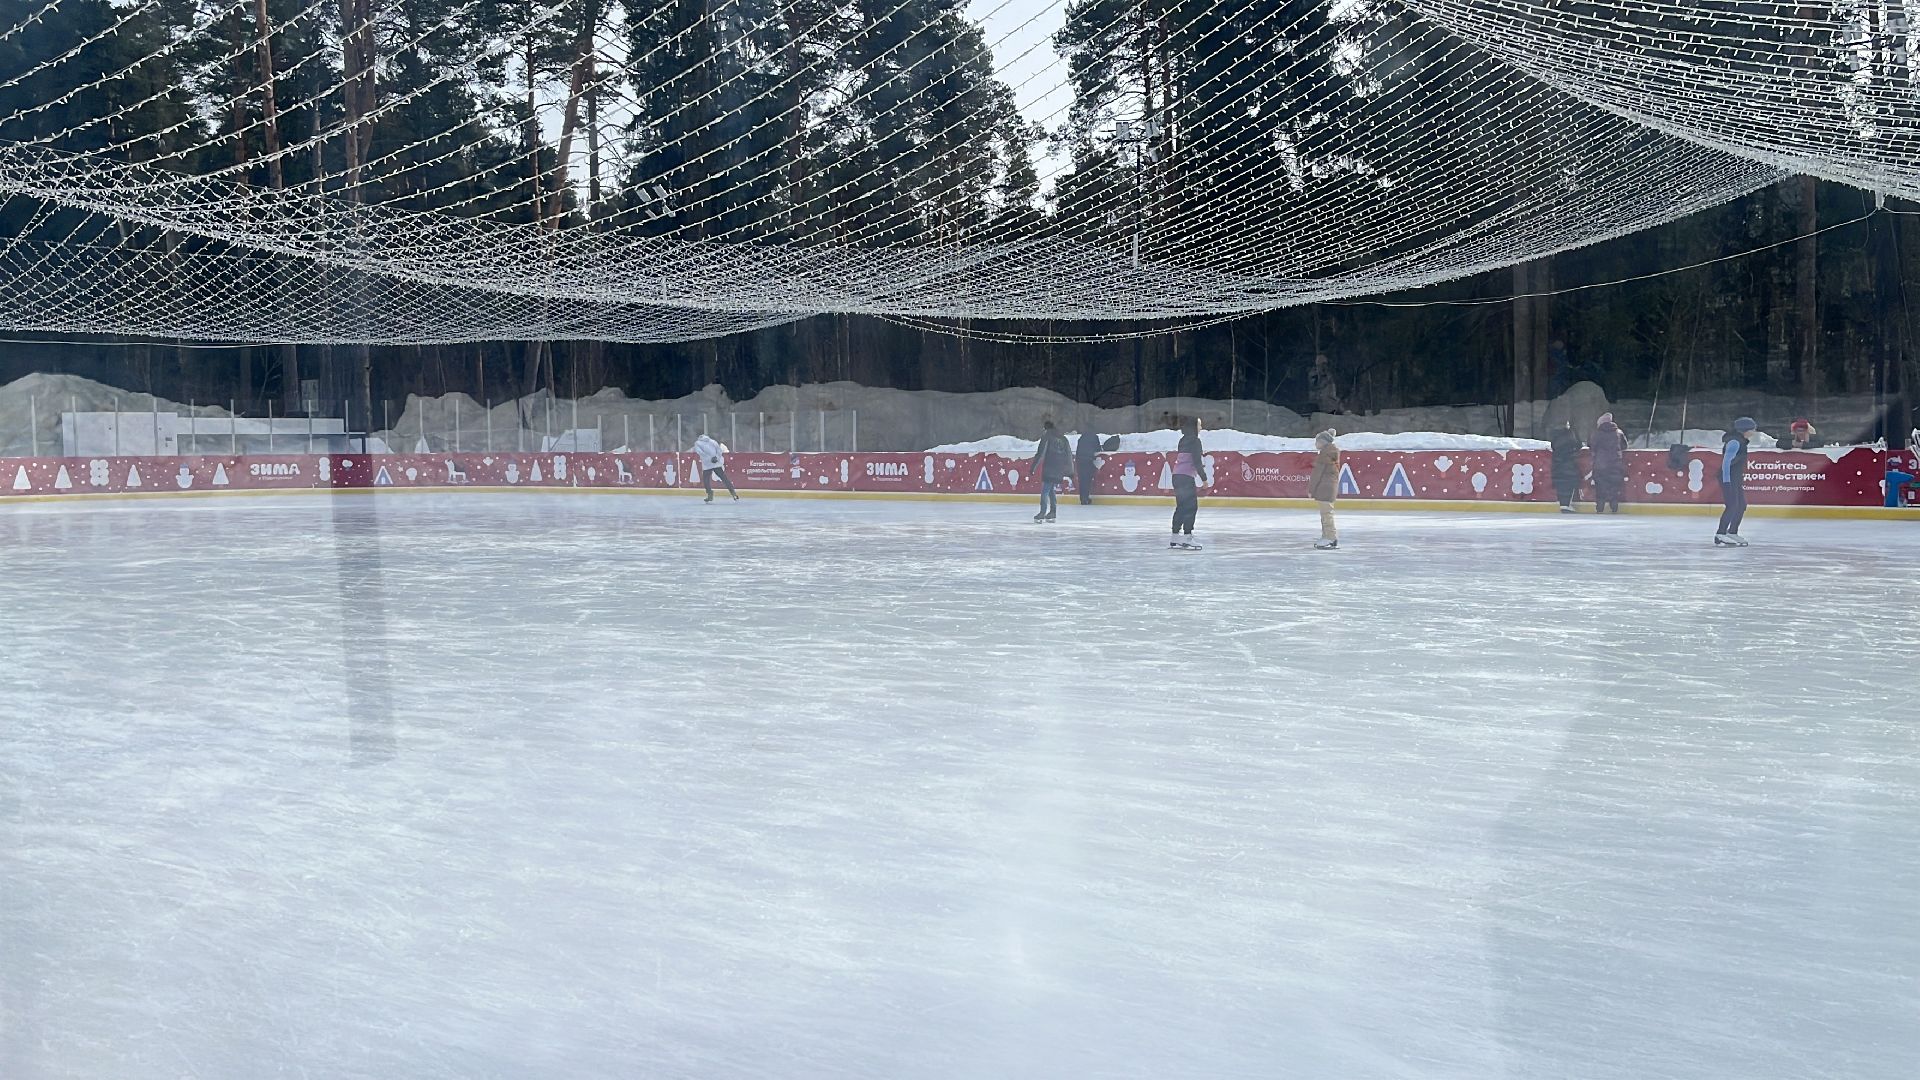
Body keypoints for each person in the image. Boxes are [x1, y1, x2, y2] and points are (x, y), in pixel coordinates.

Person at [1715, 417, 1757, 546]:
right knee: (1732, 505)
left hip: (1735, 478)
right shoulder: (1734, 442)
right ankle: (1720, 534)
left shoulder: (1741, 441)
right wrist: (1727, 482)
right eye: (1752, 428)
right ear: (1745, 430)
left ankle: (1732, 532)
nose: (1754, 431)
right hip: (1728, 478)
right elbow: (1726, 463)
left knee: (1741, 505)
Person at [1170, 417, 1207, 549]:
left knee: (1181, 506)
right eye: (1199, 425)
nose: (1201, 428)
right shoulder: (1195, 441)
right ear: (1194, 426)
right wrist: (1204, 479)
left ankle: (1175, 535)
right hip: (1185, 478)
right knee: (1191, 507)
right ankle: (1187, 536)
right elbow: (1197, 461)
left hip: (1177, 476)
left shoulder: (1183, 439)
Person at [1030, 420, 1071, 522]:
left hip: (1050, 467)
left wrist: (1033, 467)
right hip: (1059, 468)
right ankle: (1053, 512)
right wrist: (1070, 469)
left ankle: (1042, 512)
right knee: (1050, 489)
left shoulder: (1047, 437)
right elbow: (1069, 455)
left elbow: (1041, 453)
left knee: (1045, 490)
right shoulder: (1063, 438)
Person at [1590, 412, 1629, 514]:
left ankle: (1600, 508)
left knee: (1600, 487)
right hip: (1615, 464)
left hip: (1600, 465)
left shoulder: (1596, 433)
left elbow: (1592, 446)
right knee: (1614, 486)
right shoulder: (1619, 432)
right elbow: (1624, 446)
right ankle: (1614, 506)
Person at [1309, 429, 1340, 549]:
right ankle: (1327, 536)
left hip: (1325, 488)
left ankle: (1330, 538)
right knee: (1326, 514)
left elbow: (1317, 474)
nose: (1315, 444)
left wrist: (1311, 489)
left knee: (1326, 514)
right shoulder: (1330, 452)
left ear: (1322, 442)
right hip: (1328, 487)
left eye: (1317, 442)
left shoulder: (1325, 455)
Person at [1548, 419, 1584, 513]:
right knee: (1569, 483)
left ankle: (1563, 504)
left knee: (1561, 483)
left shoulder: (1554, 435)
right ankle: (1566, 504)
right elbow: (1578, 445)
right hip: (1569, 462)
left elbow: (1553, 447)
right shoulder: (1571, 434)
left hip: (1557, 463)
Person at [691, 432, 737, 503]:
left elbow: (700, 452)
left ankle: (710, 495)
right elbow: (719, 450)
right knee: (724, 478)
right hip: (716, 463)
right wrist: (716, 458)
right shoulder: (712, 441)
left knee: (706, 480)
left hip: (707, 465)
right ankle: (733, 493)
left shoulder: (697, 443)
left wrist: (709, 459)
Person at [1075, 428, 1101, 505]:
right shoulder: (1094, 437)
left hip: (1080, 461)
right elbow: (1098, 448)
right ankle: (1085, 498)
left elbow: (1078, 449)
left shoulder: (1081, 437)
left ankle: (1082, 498)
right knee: (1087, 480)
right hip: (1088, 460)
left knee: (1082, 480)